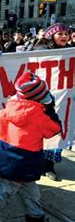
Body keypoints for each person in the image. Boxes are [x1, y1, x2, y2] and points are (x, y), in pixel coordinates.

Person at [0, 71, 61, 222]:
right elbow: (55, 129)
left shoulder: (5, 110)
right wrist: (50, 110)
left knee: (31, 194)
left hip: (8, 161)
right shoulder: (40, 115)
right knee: (2, 194)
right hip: (22, 165)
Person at [32, 23, 71, 181]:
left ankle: (49, 166)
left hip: (61, 98)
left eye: (66, 34)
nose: (64, 36)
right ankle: (37, 163)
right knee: (39, 132)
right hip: (42, 99)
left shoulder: (70, 51)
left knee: (56, 131)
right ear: (51, 36)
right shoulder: (41, 51)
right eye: (60, 34)